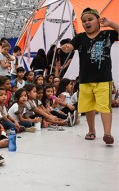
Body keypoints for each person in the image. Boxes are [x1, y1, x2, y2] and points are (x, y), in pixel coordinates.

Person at [61, 7, 119, 144]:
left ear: (98, 20)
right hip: (85, 79)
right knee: (88, 107)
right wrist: (68, 47)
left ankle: (107, 133)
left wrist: (111, 23)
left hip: (104, 79)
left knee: (105, 107)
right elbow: (71, 45)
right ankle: (91, 130)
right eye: (84, 21)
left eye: (90, 19)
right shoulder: (80, 37)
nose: (87, 22)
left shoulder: (107, 35)